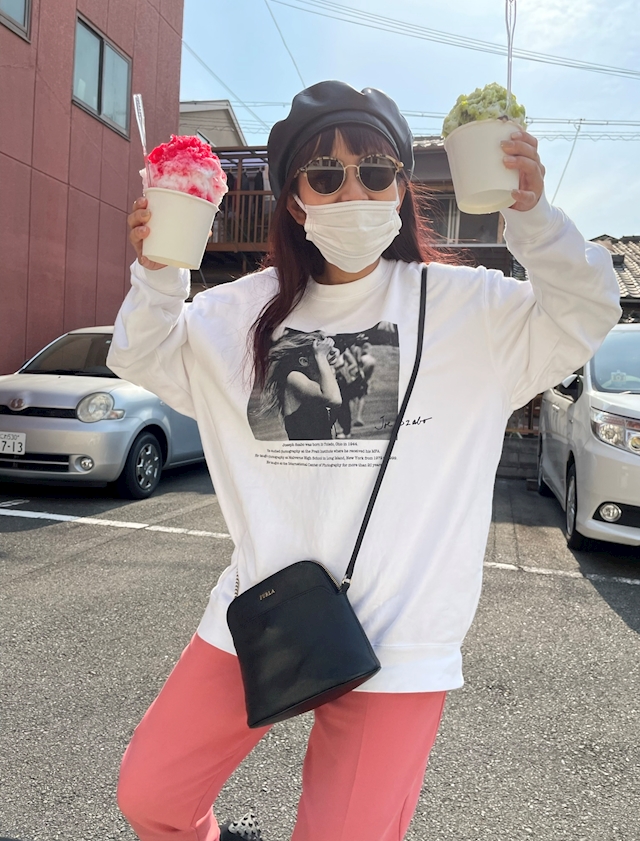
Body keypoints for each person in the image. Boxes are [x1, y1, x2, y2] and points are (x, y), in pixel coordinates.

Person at [108, 81, 621, 841]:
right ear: (293, 201)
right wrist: (158, 271)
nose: (353, 192)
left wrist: (532, 215)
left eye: (376, 171)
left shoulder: (469, 309)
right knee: (151, 795)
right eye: (325, 175)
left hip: (401, 638)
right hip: (267, 610)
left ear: (401, 189)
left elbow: (588, 306)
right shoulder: (238, 314)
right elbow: (142, 351)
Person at [258, 329, 342, 440]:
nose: (326, 355)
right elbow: (334, 399)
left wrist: (329, 354)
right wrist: (321, 357)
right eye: (320, 353)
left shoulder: (316, 382)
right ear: (304, 361)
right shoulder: (294, 377)